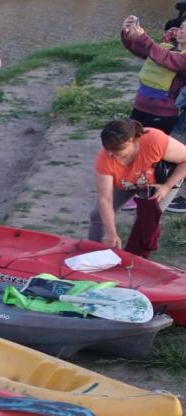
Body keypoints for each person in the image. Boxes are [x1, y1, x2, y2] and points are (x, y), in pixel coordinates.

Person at [89, 120, 186, 254]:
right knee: (97, 215)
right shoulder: (105, 158)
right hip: (126, 181)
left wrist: (167, 187)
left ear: (129, 141)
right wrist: (111, 233)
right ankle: (92, 253)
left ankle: (135, 260)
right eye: (107, 149)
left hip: (159, 182)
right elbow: (105, 199)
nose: (110, 154)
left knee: (145, 221)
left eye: (116, 150)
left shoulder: (154, 140)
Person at [122, 15, 186, 212]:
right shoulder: (167, 47)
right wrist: (129, 34)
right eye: (182, 26)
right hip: (141, 106)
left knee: (152, 155)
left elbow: (164, 58)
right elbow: (144, 50)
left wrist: (143, 38)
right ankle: (133, 185)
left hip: (164, 112)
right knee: (133, 145)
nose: (182, 29)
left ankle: (147, 193)